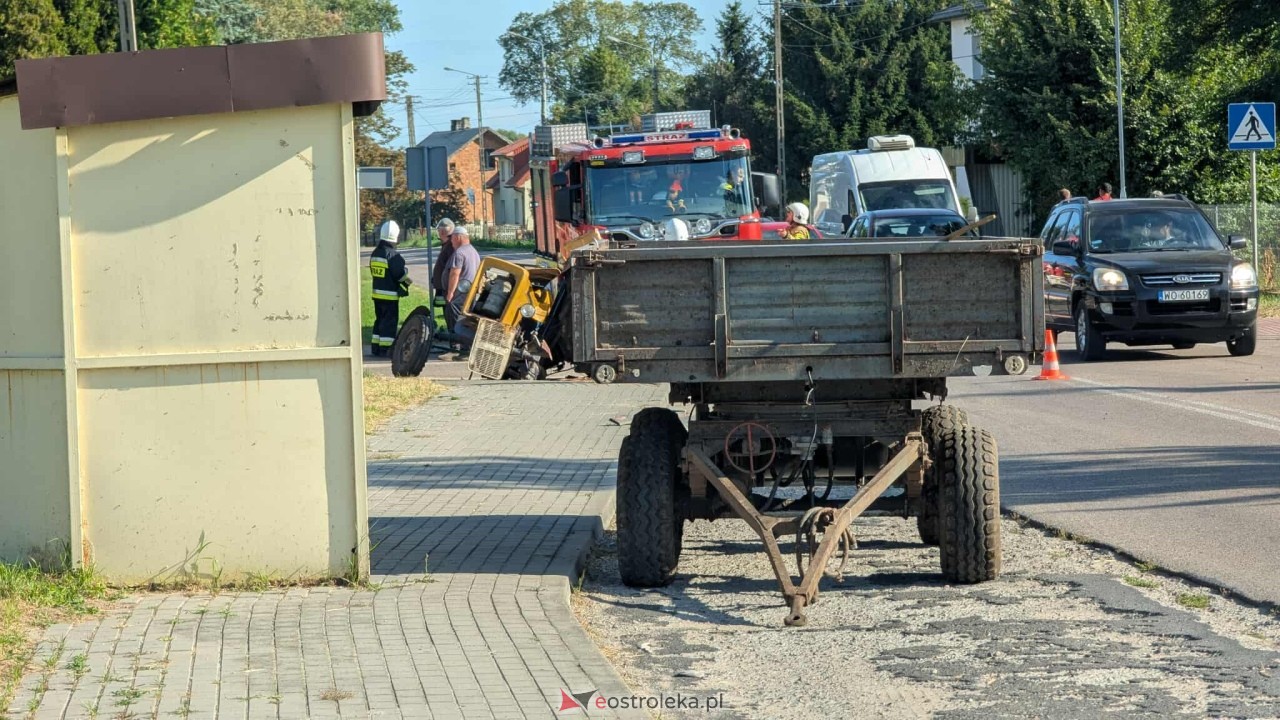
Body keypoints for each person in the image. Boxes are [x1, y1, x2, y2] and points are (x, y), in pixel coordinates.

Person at [368, 220, 411, 357]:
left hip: (377, 295)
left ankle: (376, 347)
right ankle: (387, 349)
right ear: (395, 237)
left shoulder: (375, 253)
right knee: (389, 322)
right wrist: (407, 281)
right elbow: (399, 274)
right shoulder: (392, 254)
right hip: (390, 296)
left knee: (379, 320)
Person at [444, 225, 481, 343]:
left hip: (461, 292)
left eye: (452, 238)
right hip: (471, 292)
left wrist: (450, 293)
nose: (451, 241)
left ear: (459, 237)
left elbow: (455, 274)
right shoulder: (473, 251)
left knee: (453, 311)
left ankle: (456, 344)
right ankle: (465, 344)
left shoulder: (459, 253)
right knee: (465, 318)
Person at [431, 217, 456, 298]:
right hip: (442, 287)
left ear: (442, 232)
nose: (438, 232)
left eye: (438, 230)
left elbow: (451, 268)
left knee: (447, 309)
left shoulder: (450, 246)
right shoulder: (446, 245)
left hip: (446, 289)